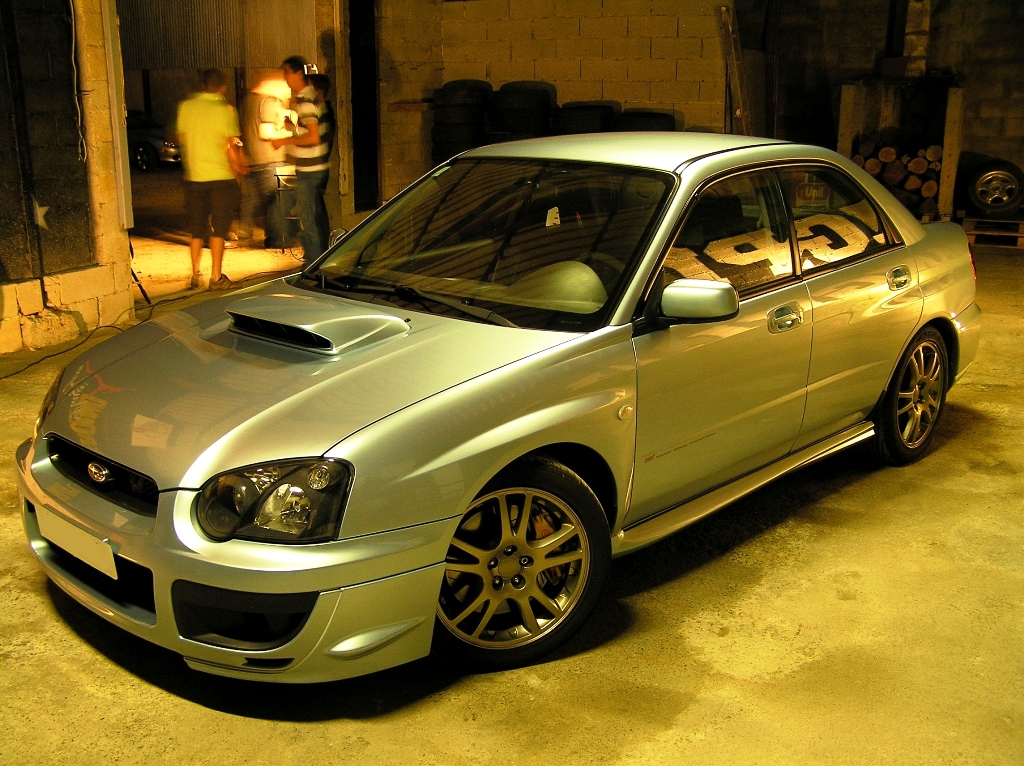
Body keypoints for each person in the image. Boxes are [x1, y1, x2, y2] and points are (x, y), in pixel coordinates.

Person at [176, 68, 247, 289]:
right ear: (223, 87)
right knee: (219, 228)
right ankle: (216, 277)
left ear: (203, 85)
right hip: (221, 177)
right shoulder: (227, 110)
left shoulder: (186, 106)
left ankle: (195, 274)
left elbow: (181, 138)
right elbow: (232, 145)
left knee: (197, 228)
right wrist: (238, 171)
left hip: (194, 177)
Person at [272, 56, 331, 263]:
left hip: (310, 169)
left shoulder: (306, 100)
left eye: (287, 73)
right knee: (314, 218)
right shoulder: (308, 98)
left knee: (308, 220)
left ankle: (315, 262)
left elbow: (313, 137)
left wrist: (285, 140)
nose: (285, 78)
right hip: (313, 167)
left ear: (298, 73)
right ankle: (319, 258)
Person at [238, 78, 291, 248]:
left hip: (252, 159)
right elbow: (266, 132)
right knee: (276, 200)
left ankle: (245, 230)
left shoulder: (247, 102)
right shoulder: (269, 102)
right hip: (270, 159)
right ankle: (277, 239)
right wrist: (289, 135)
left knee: (252, 198)